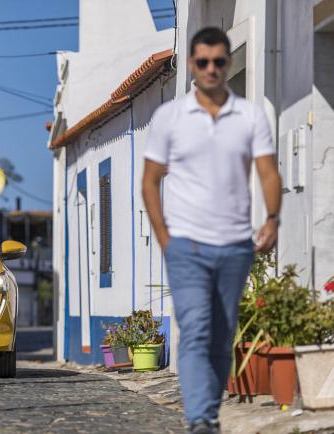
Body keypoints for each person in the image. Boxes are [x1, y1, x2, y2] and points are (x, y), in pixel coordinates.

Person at [141, 27, 282, 434]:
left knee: (222, 336)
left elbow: (268, 172)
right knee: (197, 329)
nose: (211, 69)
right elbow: (150, 181)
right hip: (186, 244)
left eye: (219, 62)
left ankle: (209, 414)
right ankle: (201, 420)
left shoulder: (249, 116)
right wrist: (165, 238)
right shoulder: (169, 118)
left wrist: (272, 218)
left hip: (235, 245)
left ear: (227, 64)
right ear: (191, 65)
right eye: (203, 62)